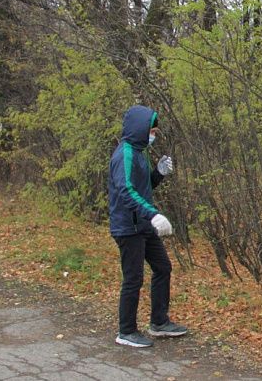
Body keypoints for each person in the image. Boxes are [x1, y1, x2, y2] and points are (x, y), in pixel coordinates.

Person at [108, 105, 187, 348]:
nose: (153, 135)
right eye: (152, 131)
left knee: (163, 267)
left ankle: (159, 322)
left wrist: (158, 173)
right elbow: (126, 191)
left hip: (143, 224)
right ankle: (126, 331)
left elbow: (143, 188)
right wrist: (153, 215)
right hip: (128, 227)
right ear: (140, 129)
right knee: (133, 278)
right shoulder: (125, 155)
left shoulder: (139, 152)